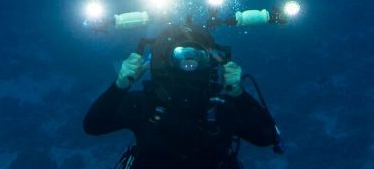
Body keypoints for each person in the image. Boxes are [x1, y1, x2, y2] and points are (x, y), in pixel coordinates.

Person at [83, 21, 279, 168]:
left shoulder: (221, 107)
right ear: (168, 60)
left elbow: (267, 137)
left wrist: (238, 94)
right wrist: (120, 85)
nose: (189, 64)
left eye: (198, 57)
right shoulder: (146, 103)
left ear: (209, 62)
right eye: (182, 55)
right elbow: (93, 125)